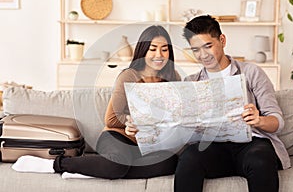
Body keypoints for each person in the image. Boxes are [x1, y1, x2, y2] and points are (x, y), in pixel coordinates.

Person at [12, 25, 181, 179]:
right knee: (117, 164)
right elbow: (111, 119)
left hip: (147, 145)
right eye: (153, 49)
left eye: (164, 50)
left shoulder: (173, 78)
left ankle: (94, 170)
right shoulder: (129, 76)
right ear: (143, 50)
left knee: (171, 162)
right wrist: (133, 122)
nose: (159, 55)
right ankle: (58, 165)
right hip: (117, 137)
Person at [174, 15, 291, 192]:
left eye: (208, 46)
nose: (203, 55)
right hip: (213, 148)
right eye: (196, 50)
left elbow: (277, 122)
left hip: (252, 144)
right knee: (189, 158)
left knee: (261, 159)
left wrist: (259, 120)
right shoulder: (191, 82)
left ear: (222, 40)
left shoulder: (251, 72)